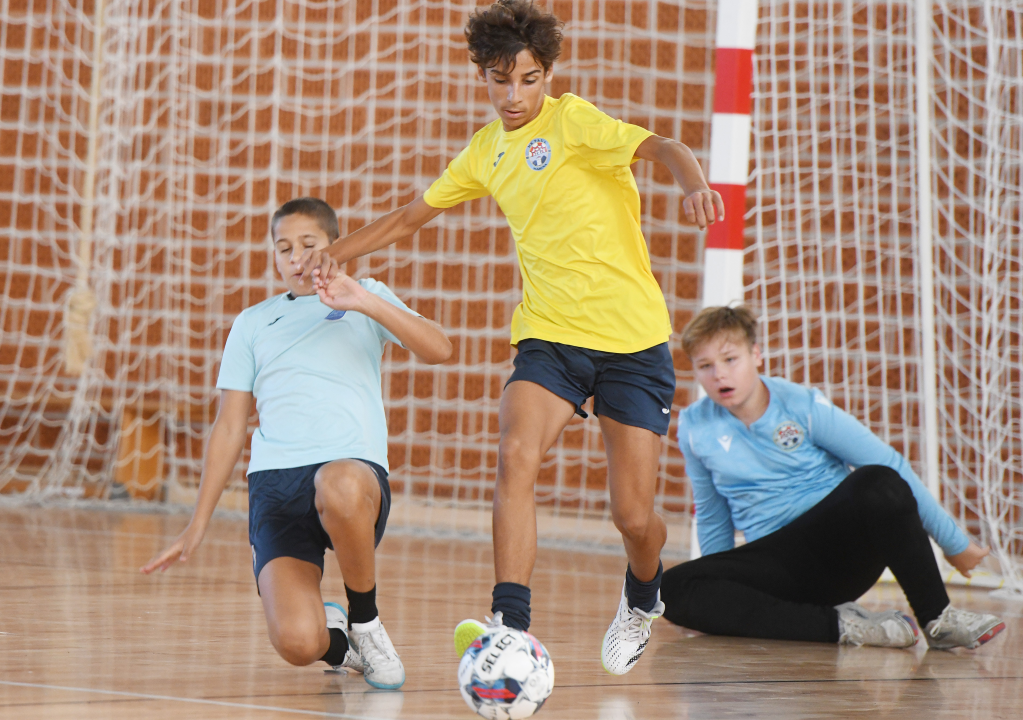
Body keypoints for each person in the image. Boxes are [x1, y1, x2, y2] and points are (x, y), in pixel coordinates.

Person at [310, 0, 723, 675]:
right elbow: (409, 219)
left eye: (528, 79)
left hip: (631, 342)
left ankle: (642, 593)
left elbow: (662, 147)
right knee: (514, 453)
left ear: (548, 75)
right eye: (499, 80)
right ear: (482, 77)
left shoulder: (575, 122)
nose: (513, 95)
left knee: (632, 516)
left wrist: (694, 183)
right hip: (549, 338)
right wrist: (334, 255)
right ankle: (511, 623)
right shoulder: (485, 151)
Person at [141, 198, 452, 688]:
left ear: (334, 246)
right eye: (284, 248)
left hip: (350, 477)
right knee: (297, 644)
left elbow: (440, 348)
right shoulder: (252, 323)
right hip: (277, 486)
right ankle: (339, 641)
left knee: (338, 482)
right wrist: (196, 522)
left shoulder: (365, 295)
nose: (296, 258)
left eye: (309, 245)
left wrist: (364, 301)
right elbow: (228, 426)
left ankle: (366, 623)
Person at [661, 305, 1006, 650]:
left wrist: (954, 544)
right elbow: (712, 514)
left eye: (730, 360)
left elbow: (892, 467)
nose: (719, 375)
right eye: (705, 366)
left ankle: (938, 618)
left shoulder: (802, 404)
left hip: (839, 550)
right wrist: (717, 582)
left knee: (878, 479)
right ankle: (846, 626)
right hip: (774, 561)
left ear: (756, 355)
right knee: (670, 590)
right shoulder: (694, 426)